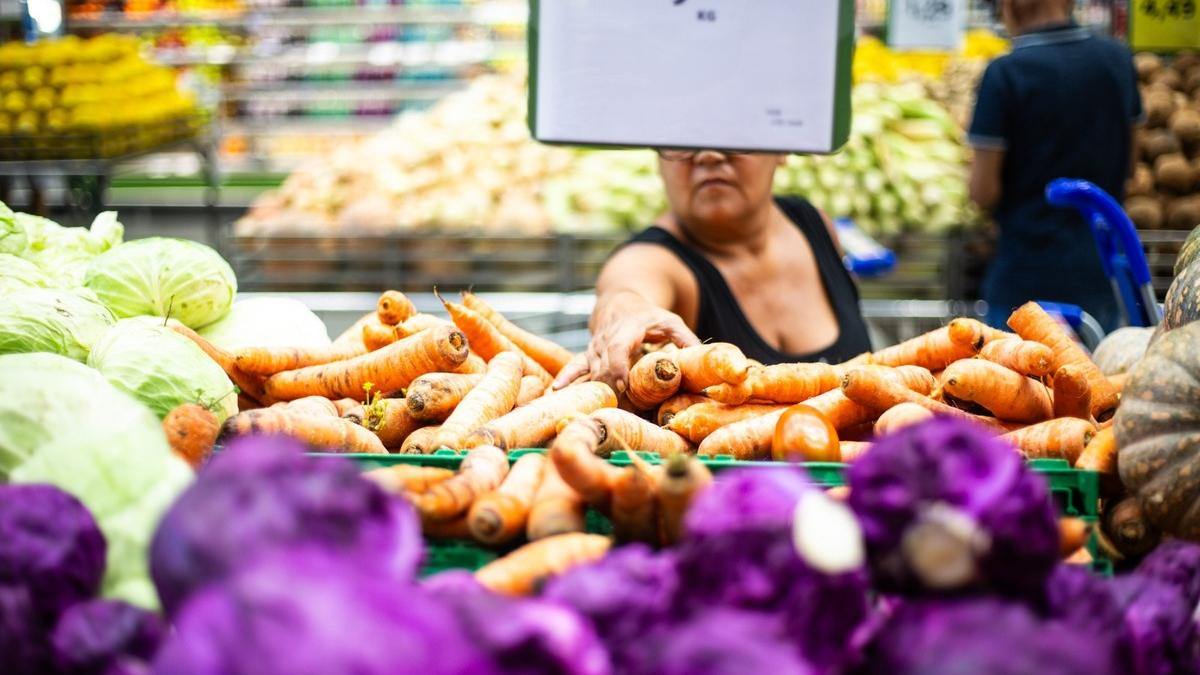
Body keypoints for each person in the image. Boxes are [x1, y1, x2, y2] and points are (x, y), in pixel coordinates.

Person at [553, 149, 872, 394]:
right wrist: (623, 312)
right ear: (657, 158)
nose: (708, 154)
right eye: (683, 139)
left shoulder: (814, 224)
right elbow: (625, 291)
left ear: (782, 148)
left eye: (735, 133)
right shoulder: (652, 259)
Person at [968, 0, 1142, 332]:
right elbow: (1131, 165)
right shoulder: (1118, 59)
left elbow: (982, 191)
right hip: (1101, 272)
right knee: (1097, 377)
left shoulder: (1005, 73)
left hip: (1025, 278)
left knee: (1017, 381)